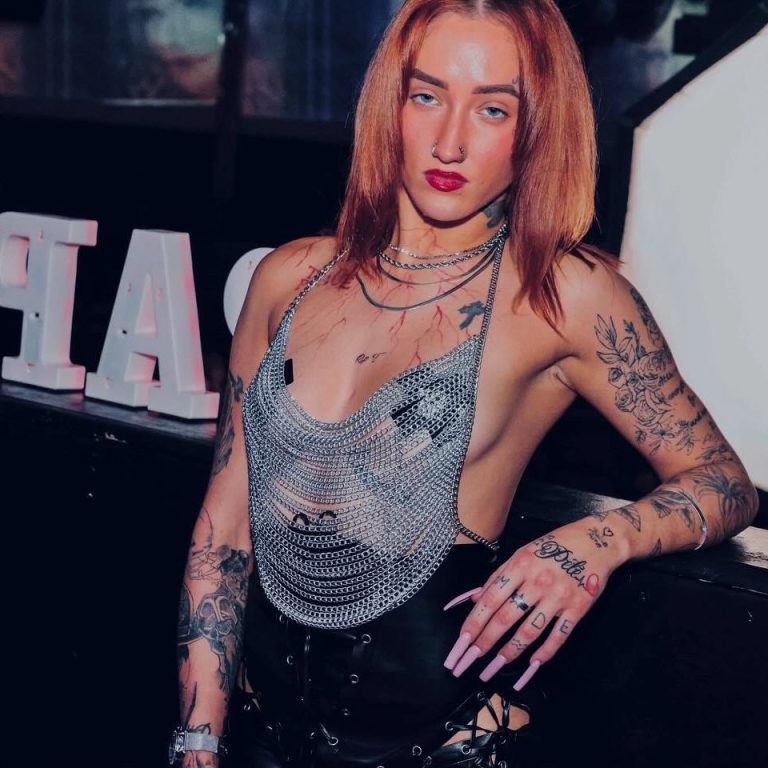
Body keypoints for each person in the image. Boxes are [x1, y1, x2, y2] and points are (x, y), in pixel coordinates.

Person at [171, 1, 759, 766]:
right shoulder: (289, 278)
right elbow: (223, 533)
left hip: (445, 743)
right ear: (390, 105)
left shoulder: (562, 296)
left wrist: (596, 542)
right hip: (262, 739)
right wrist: (198, 739)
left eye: (492, 108)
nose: (450, 141)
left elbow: (723, 480)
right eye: (428, 96)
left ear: (536, 128)